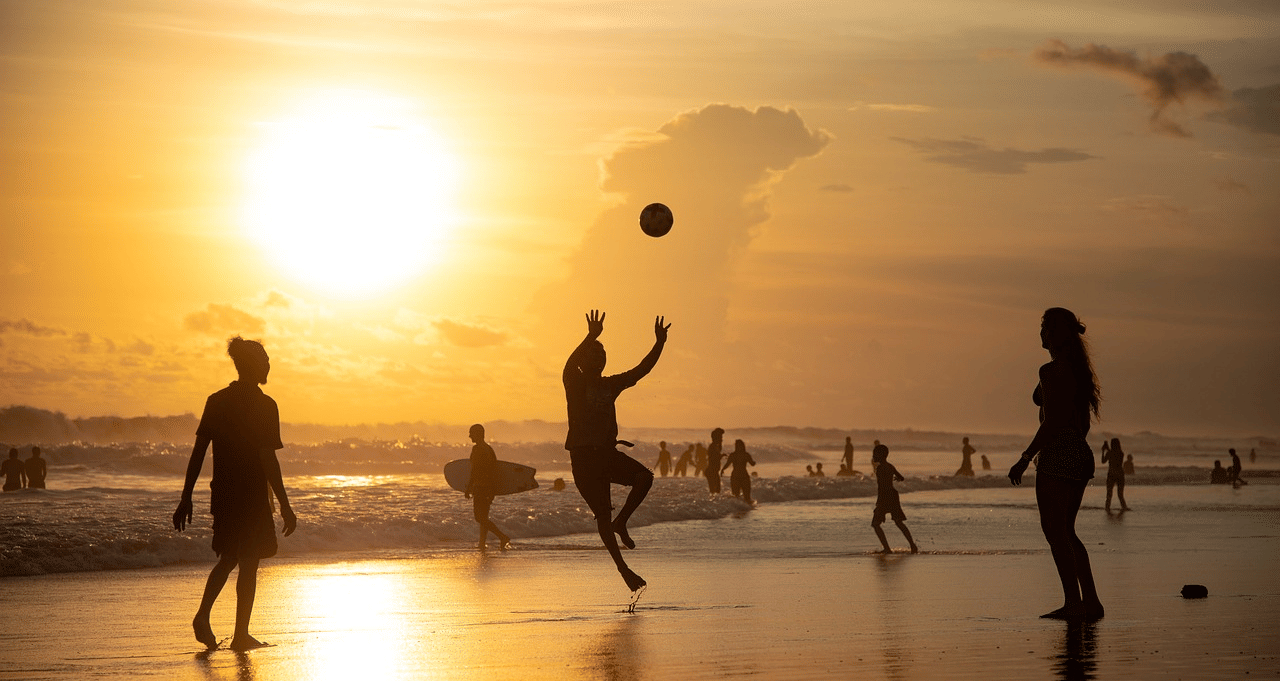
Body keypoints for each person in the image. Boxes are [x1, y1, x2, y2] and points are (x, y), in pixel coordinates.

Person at [173, 337, 297, 650]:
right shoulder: (265, 406)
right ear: (253, 365)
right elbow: (268, 459)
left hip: (225, 494)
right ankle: (240, 635)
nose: (269, 364)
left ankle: (204, 616)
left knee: (230, 557)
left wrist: (186, 497)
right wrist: (284, 505)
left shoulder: (217, 400)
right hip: (253, 495)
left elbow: (198, 453)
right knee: (249, 560)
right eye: (265, 360)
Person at [1008, 307, 1104, 621]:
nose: (1040, 332)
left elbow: (1049, 422)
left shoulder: (1052, 371)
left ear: (1052, 334)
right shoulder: (1076, 370)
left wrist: (1024, 459)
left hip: (1057, 453)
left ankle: (1073, 603)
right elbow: (1079, 422)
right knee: (1068, 532)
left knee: (1055, 532)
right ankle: (1090, 601)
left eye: (1043, 327)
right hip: (1080, 452)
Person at [562, 310, 667, 592]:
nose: (598, 358)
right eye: (593, 355)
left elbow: (641, 370)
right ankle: (623, 569)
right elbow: (569, 365)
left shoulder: (610, 385)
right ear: (585, 361)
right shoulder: (574, 383)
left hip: (607, 455)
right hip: (583, 459)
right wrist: (590, 336)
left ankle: (623, 521)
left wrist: (660, 343)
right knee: (602, 517)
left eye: (602, 355)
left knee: (645, 478)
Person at [465, 424, 511, 550]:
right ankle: (482, 543)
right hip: (489, 487)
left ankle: (502, 537)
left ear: (477, 434)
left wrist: (468, 487)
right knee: (484, 518)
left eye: (471, 433)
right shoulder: (489, 449)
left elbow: (474, 470)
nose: (469, 436)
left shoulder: (477, 449)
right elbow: (495, 469)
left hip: (480, 487)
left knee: (478, 517)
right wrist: (494, 489)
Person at [871, 444, 918, 554]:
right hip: (893, 495)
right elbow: (901, 478)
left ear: (881, 455)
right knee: (898, 522)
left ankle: (887, 548)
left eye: (875, 453)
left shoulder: (880, 468)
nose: (873, 455)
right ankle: (912, 545)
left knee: (875, 524)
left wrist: (879, 501)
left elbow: (881, 486)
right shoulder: (890, 466)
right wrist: (895, 478)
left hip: (885, 496)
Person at [721, 439, 757, 505]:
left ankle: (738, 509)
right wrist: (754, 462)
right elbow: (752, 464)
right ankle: (746, 508)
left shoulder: (733, 455)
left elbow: (727, 464)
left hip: (735, 476)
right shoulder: (746, 455)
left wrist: (722, 470)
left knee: (736, 495)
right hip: (743, 476)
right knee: (746, 496)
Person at [1101, 437, 1129, 512]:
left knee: (1109, 495)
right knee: (1120, 495)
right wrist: (1105, 450)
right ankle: (1124, 508)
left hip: (1111, 474)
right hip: (1120, 474)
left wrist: (1104, 451)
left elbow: (1103, 461)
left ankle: (1107, 508)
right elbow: (1105, 461)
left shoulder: (1113, 453)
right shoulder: (1121, 453)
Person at [705, 428, 725, 494]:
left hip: (714, 472)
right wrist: (721, 456)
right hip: (711, 472)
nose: (722, 439)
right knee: (715, 492)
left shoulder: (716, 446)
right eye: (720, 437)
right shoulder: (712, 447)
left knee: (716, 491)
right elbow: (714, 458)